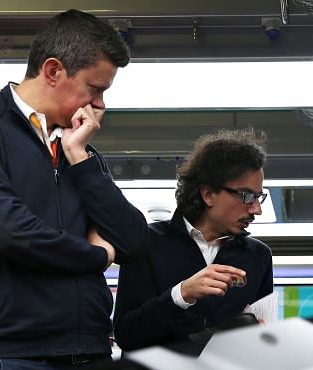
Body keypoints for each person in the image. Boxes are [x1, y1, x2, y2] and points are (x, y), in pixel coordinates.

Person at [0, 9, 147, 370]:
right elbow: (5, 229)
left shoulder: (83, 153)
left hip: (92, 356)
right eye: (95, 88)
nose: (100, 105)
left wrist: (81, 161)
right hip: (11, 361)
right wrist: (97, 256)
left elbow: (133, 240)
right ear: (52, 72)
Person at [114, 128, 273, 354]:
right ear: (208, 194)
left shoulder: (257, 256)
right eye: (247, 196)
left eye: (259, 197)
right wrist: (181, 295)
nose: (256, 209)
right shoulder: (146, 242)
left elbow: (261, 335)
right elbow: (127, 335)